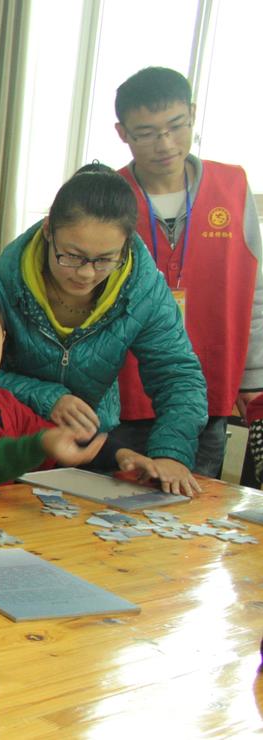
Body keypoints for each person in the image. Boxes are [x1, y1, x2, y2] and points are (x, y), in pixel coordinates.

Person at [0, 164, 207, 496]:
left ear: (126, 245)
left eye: (104, 259)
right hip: (7, 443)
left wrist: (171, 454)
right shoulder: (2, 281)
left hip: (95, 448)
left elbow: (177, 374)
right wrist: (47, 397)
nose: (86, 274)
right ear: (48, 230)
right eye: (72, 256)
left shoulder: (143, 288)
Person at [110, 67, 263, 478]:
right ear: (122, 133)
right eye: (146, 133)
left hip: (209, 384)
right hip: (124, 387)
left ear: (193, 114)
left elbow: (253, 290)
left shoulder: (233, 186)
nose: (165, 144)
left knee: (193, 501)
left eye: (176, 126)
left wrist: (253, 377)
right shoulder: (107, 193)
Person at [0, 277, 158, 491]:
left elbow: (57, 440)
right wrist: (40, 445)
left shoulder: (3, 402)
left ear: (3, 340)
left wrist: (121, 455)